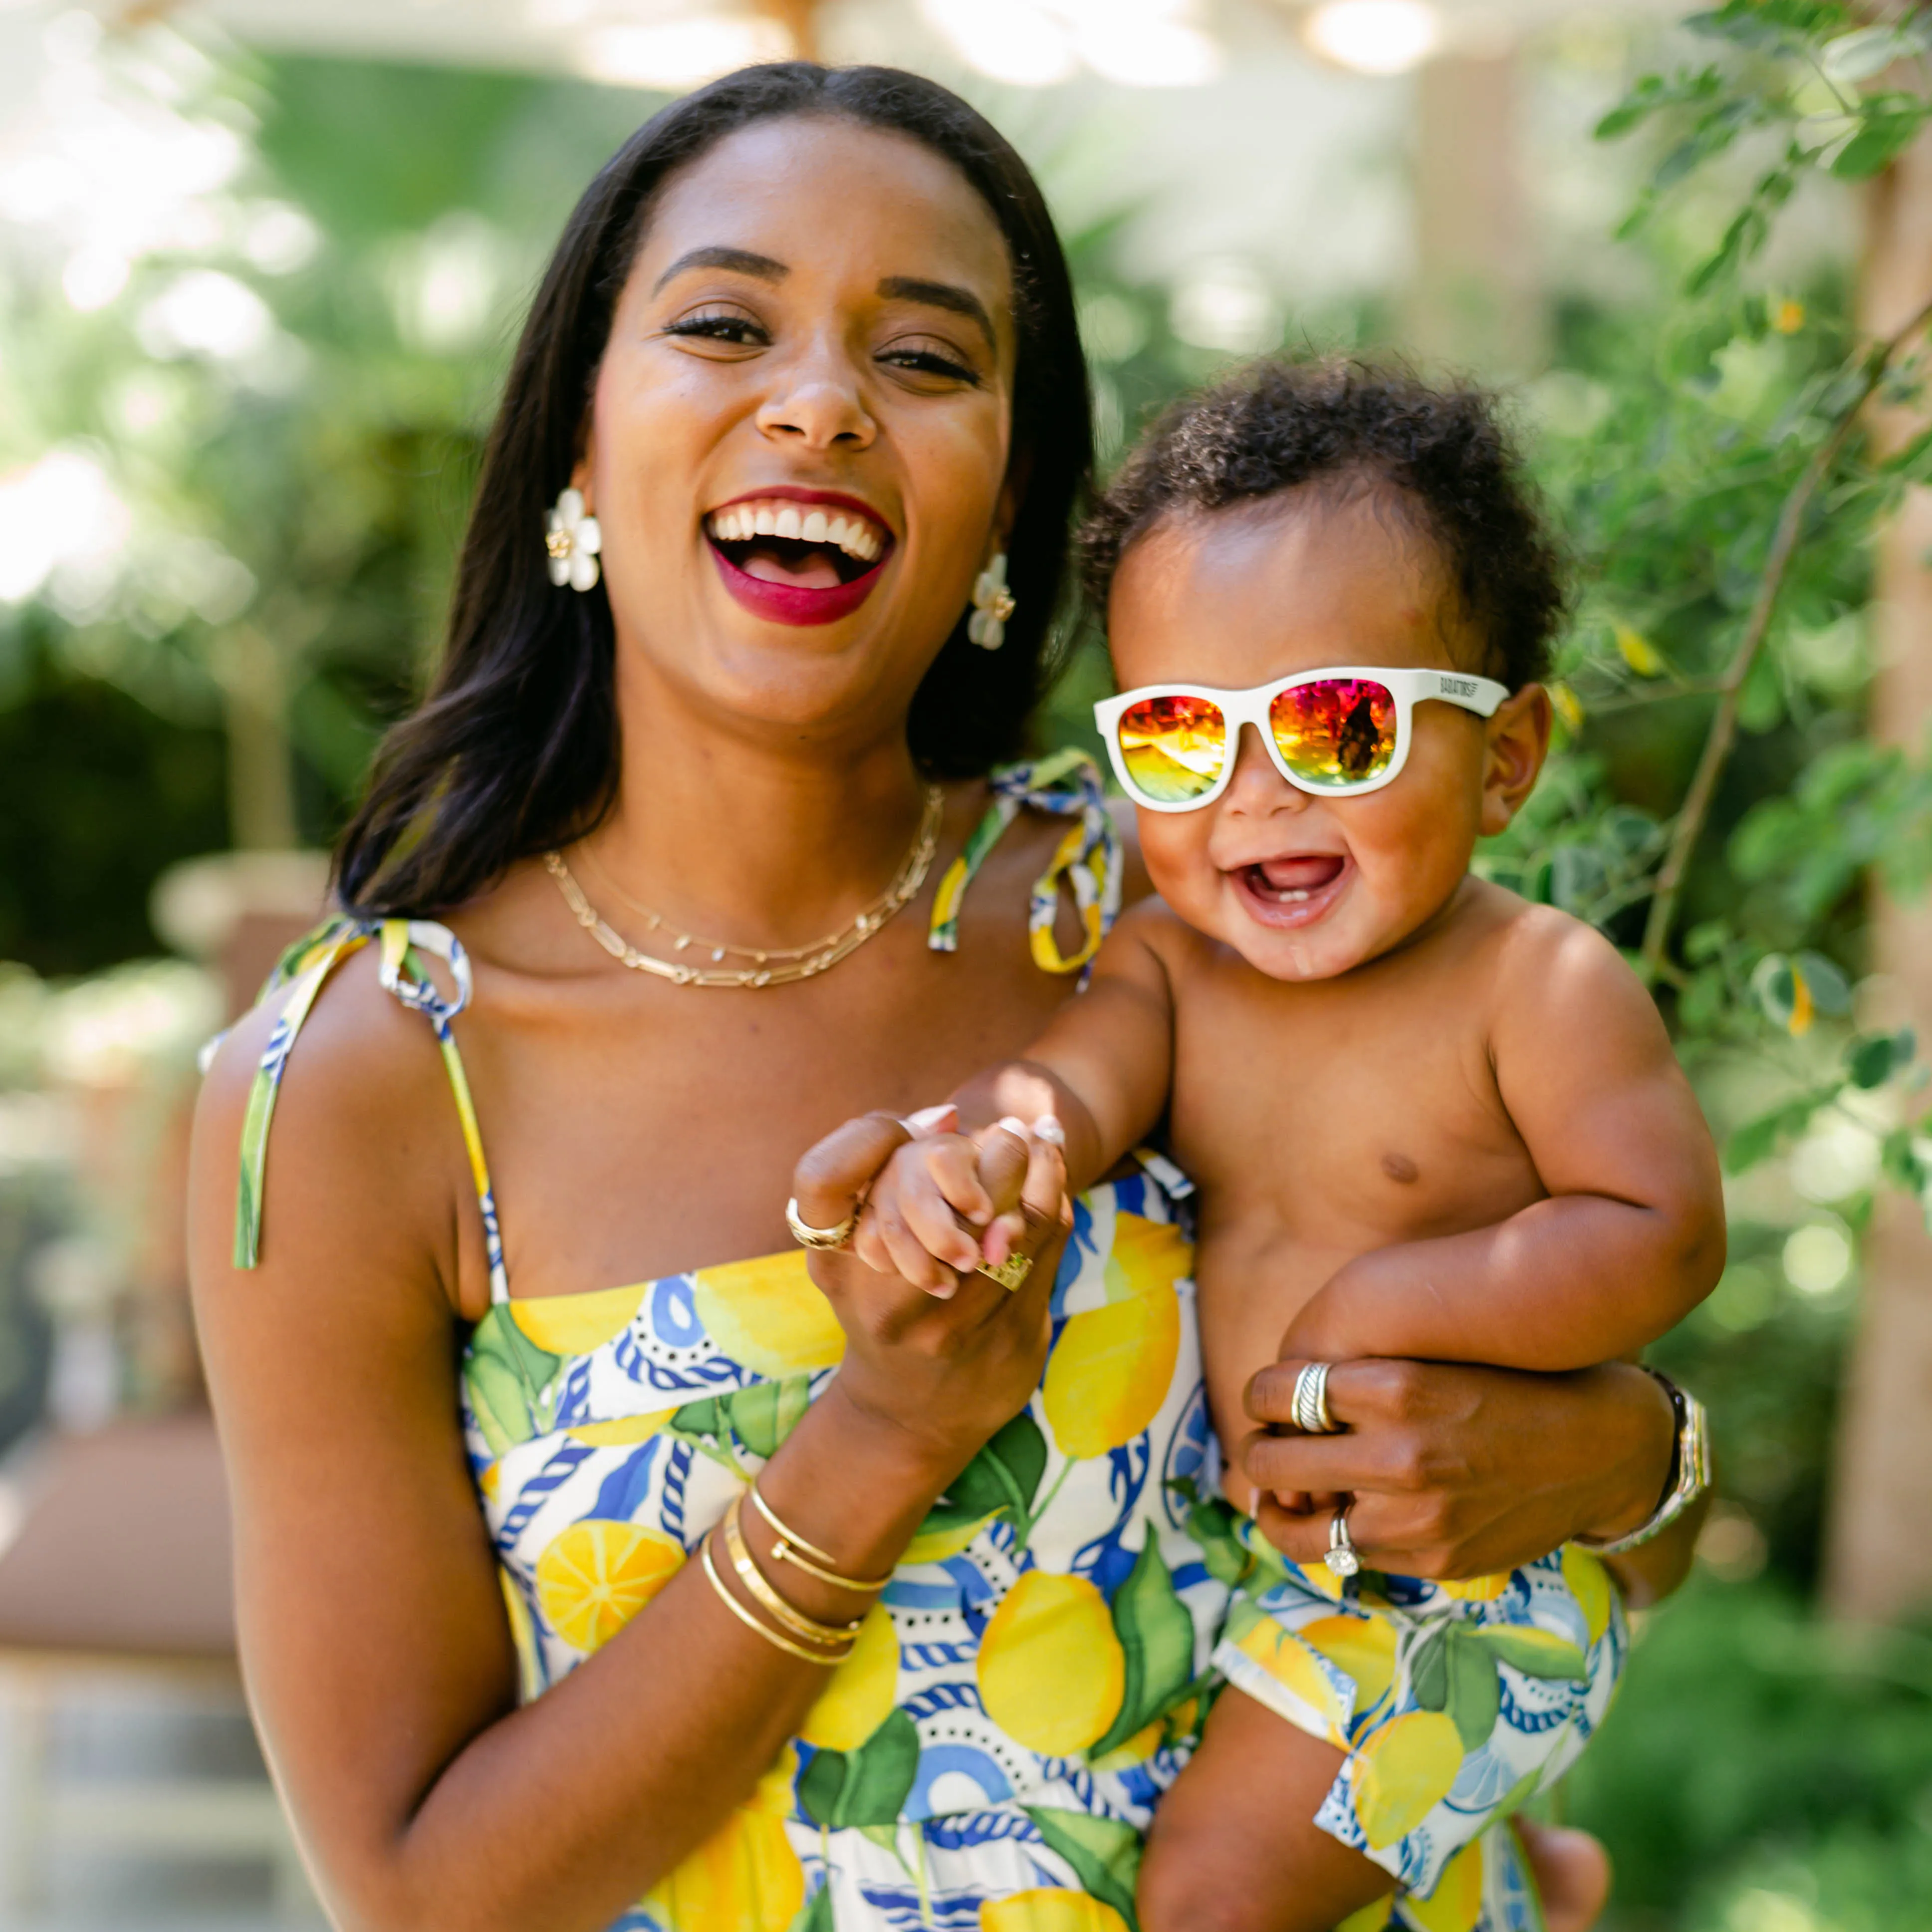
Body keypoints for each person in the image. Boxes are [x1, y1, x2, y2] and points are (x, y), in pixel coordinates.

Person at [185, 65, 1701, 1932]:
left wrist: (1639, 1457)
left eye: (925, 358)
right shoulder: (365, 1083)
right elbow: (425, 1894)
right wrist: (882, 1434)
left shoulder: (1197, 894)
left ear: (1007, 509)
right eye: (726, 324)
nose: (818, 402)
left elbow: (1608, 1513)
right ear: (578, 445)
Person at [841, 360, 1723, 1932]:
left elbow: (1660, 1230)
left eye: (1333, 726)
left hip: (1478, 1581)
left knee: (1216, 1896)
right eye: (1181, 739)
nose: (1255, 796)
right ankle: (1534, 1874)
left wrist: (1391, 1314)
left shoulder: (1537, 986)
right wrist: (974, 1154)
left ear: (1505, 758)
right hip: (1265, 1570)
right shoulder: (1171, 971)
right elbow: (1068, 1090)